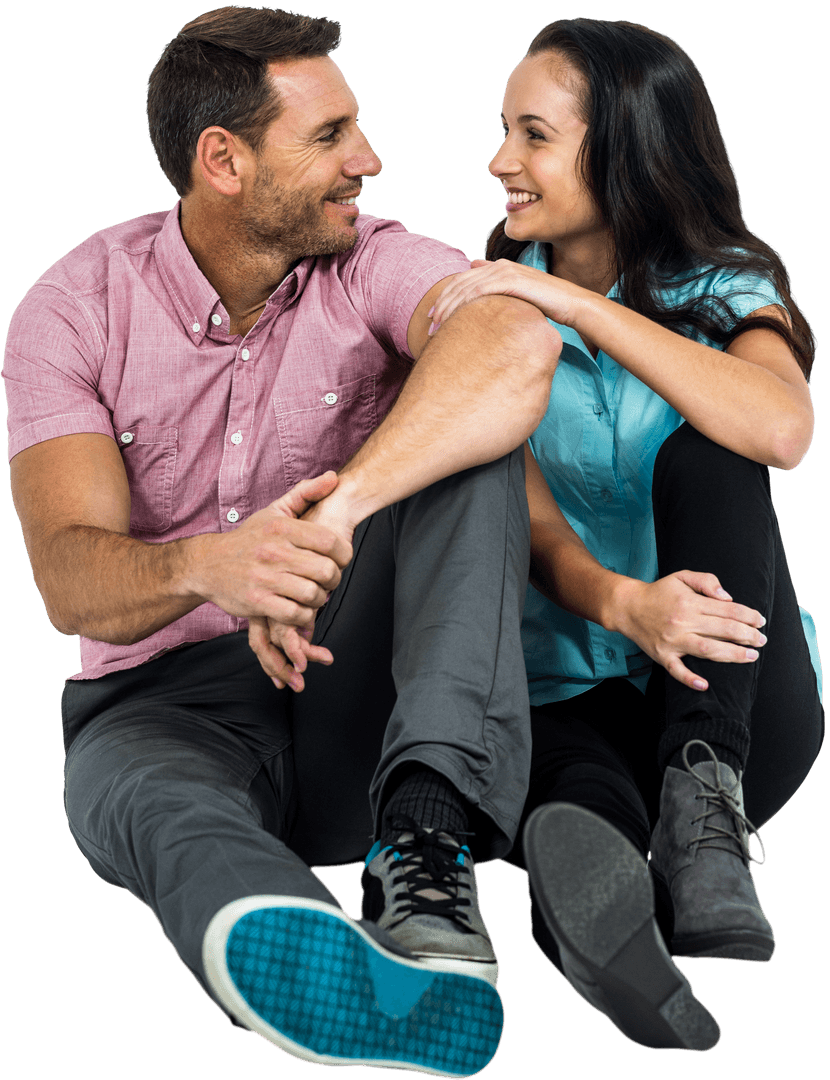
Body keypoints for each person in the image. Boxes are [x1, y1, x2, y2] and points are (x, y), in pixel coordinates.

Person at [3, 7, 563, 1075]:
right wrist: (210, 565)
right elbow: (67, 580)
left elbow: (510, 338)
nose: (368, 160)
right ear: (223, 159)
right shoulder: (73, 307)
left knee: (472, 434)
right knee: (145, 803)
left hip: (358, 681)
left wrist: (325, 527)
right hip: (162, 708)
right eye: (329, 136)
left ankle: (426, 837)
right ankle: (303, 952)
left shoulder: (370, 260)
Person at [429, 16, 824, 1053]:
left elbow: (780, 430)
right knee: (572, 812)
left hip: (730, 701)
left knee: (711, 442)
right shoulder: (486, 321)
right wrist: (624, 605)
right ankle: (612, 938)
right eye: (499, 131)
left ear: (626, 149)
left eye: (531, 134)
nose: (497, 162)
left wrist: (572, 301)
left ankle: (702, 813)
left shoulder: (728, 288)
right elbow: (524, 518)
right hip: (558, 693)